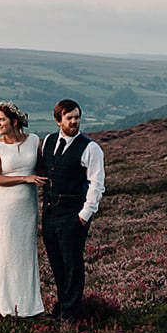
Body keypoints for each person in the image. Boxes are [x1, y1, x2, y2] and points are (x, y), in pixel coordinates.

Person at [0, 101, 46, 316]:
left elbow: (41, 168)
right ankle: (3, 303)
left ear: (14, 121)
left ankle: (28, 305)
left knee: (24, 252)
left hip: (27, 207)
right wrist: (25, 178)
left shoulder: (34, 141)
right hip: (4, 207)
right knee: (4, 251)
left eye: (1, 120)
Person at [39, 98, 104, 320]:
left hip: (73, 216)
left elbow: (97, 185)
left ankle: (70, 316)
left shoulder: (91, 148)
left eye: (77, 117)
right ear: (58, 120)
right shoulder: (47, 141)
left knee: (72, 266)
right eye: (70, 118)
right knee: (57, 265)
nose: (75, 121)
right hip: (49, 215)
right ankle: (61, 308)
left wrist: (84, 216)